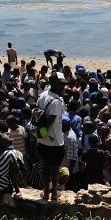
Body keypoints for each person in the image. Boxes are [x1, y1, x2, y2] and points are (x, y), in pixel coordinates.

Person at [36, 72, 68, 201]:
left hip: (42, 137)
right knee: (54, 168)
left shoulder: (42, 95)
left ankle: (45, 192)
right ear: (53, 83)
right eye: (61, 84)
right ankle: (54, 193)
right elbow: (50, 121)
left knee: (45, 165)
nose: (63, 87)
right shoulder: (57, 101)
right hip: (55, 140)